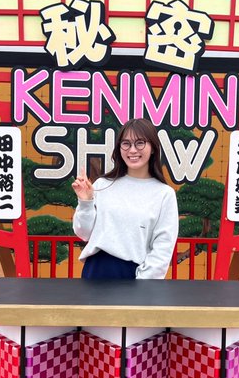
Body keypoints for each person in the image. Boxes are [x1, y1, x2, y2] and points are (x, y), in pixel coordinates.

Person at [72, 118, 179, 279]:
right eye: (126, 144)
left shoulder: (164, 194)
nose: (132, 150)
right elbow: (83, 233)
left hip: (134, 276)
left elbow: (162, 248)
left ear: (153, 148)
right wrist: (85, 203)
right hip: (95, 271)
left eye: (140, 143)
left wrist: (143, 284)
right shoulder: (102, 184)